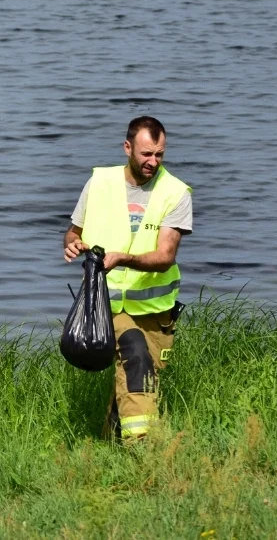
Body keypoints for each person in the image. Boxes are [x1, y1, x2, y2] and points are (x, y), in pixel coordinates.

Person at [63, 116, 193, 442]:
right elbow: (72, 233)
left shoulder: (175, 192)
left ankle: (110, 444)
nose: (153, 162)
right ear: (127, 148)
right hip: (106, 302)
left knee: (140, 381)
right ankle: (142, 452)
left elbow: (165, 257)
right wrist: (72, 246)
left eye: (159, 155)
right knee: (135, 358)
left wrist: (123, 257)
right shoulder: (100, 183)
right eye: (146, 154)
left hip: (155, 311)